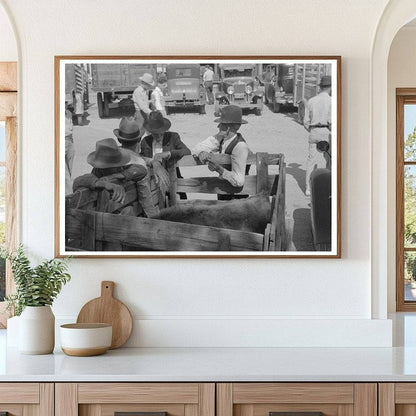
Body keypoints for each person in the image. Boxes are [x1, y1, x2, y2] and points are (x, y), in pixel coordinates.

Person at [72, 138, 156, 217]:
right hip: (104, 217)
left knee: (127, 211)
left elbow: (141, 170)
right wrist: (104, 184)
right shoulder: (98, 172)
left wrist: (113, 176)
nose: (117, 167)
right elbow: (78, 181)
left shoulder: (121, 169)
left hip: (112, 215)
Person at [191, 105, 250, 199]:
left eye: (222, 124)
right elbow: (196, 148)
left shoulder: (240, 147)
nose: (218, 126)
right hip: (224, 192)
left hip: (237, 199)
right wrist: (202, 152)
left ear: (228, 128)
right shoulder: (222, 139)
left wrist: (219, 169)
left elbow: (239, 181)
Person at [140, 111, 191, 200]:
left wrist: (169, 153)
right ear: (150, 131)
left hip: (173, 182)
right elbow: (141, 158)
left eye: (161, 133)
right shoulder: (145, 141)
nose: (159, 136)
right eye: (156, 133)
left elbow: (187, 151)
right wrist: (153, 162)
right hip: (153, 185)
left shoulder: (173, 137)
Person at [113, 117, 158, 217]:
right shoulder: (139, 163)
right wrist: (155, 219)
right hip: (126, 211)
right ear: (139, 139)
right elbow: (144, 196)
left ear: (119, 139)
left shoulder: (108, 156)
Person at [303, 75, 332, 197]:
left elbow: (305, 121)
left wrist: (312, 129)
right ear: (330, 87)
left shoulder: (311, 101)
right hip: (327, 131)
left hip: (314, 131)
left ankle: (308, 189)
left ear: (320, 87)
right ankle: (329, 185)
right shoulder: (332, 101)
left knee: (311, 161)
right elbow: (332, 121)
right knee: (330, 159)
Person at [65, 99, 75, 195]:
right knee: (65, 173)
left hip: (69, 140)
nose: (64, 105)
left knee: (69, 169)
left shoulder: (68, 114)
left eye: (66, 103)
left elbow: (71, 128)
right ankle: (68, 195)